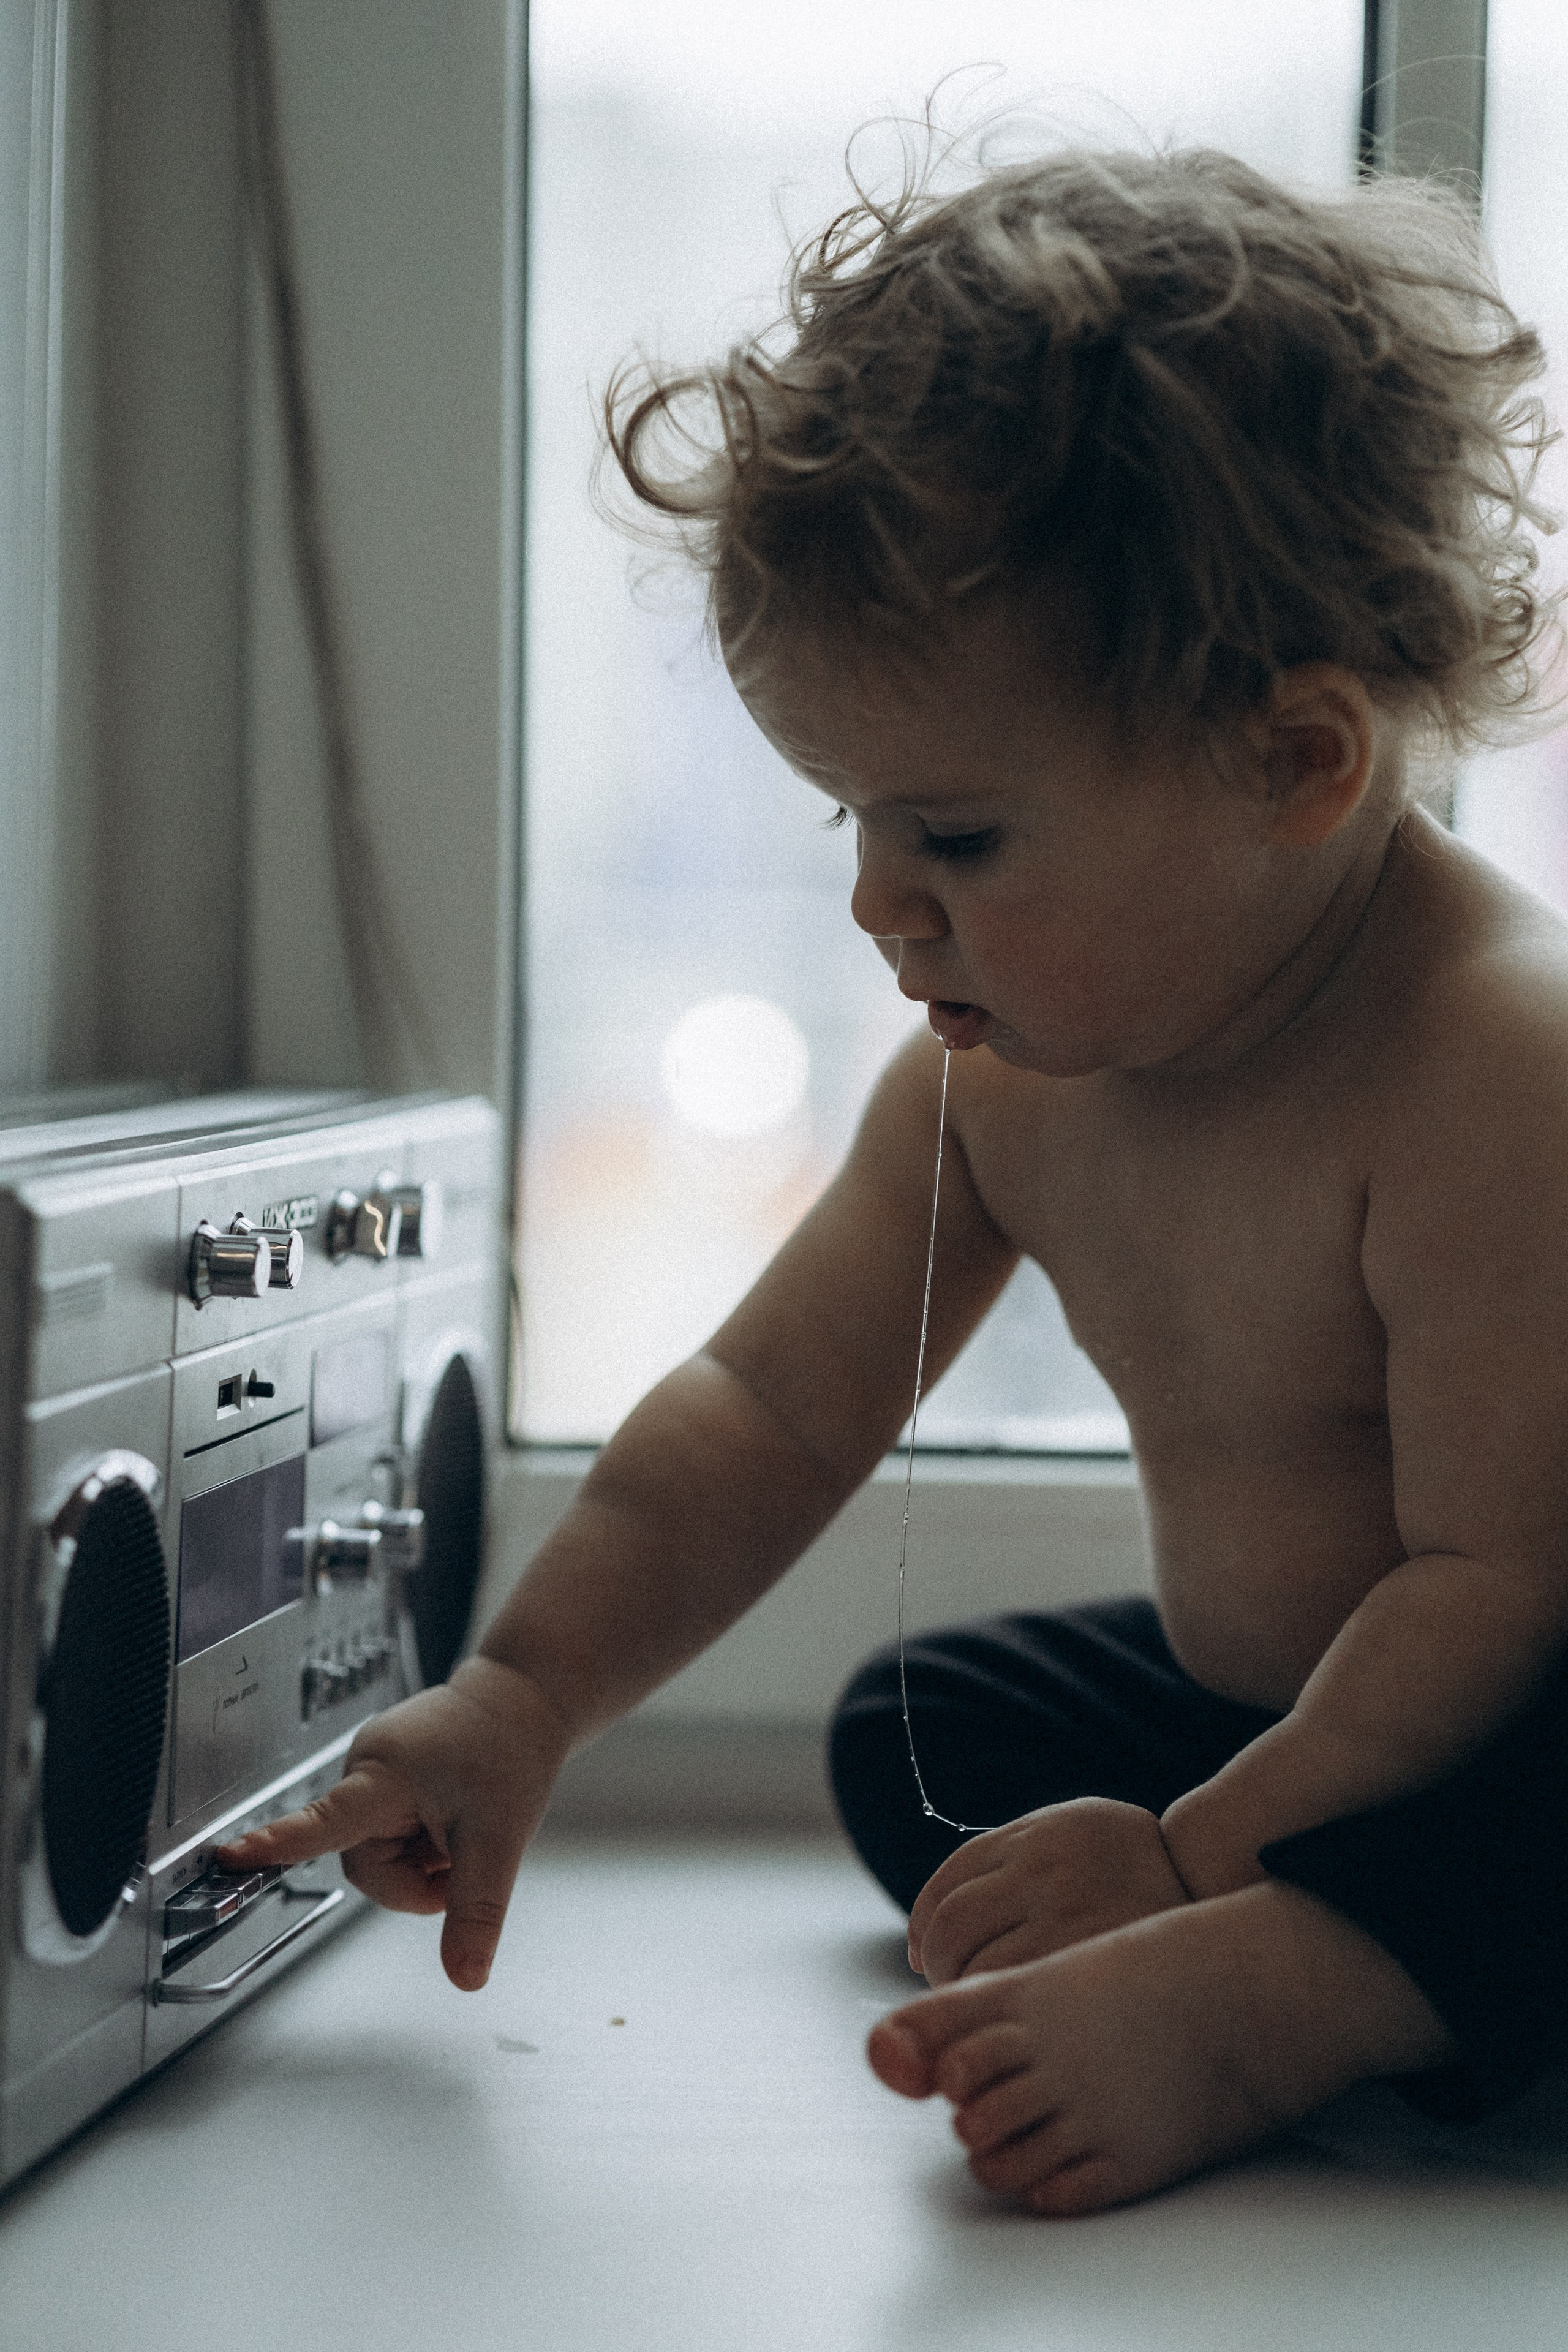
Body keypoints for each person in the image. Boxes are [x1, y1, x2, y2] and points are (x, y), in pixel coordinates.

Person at [220, 143, 1568, 2215]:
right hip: (1277, 1708)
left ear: (1289, 766)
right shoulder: (1014, 1082)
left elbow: (1495, 1589)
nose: (874, 903)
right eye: (852, 822)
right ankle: (1317, 1933)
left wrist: (1208, 1856)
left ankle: (1311, 1982)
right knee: (909, 1734)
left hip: (1507, 1707)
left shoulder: (1490, 1065)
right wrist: (521, 1696)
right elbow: (771, 1411)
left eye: (955, 839)